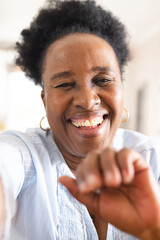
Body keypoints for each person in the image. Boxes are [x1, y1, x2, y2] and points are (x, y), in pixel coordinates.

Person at [0, 0, 160, 239]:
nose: (87, 101)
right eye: (65, 84)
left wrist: (152, 230)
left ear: (122, 90)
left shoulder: (151, 159)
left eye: (103, 80)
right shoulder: (22, 155)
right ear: (45, 100)